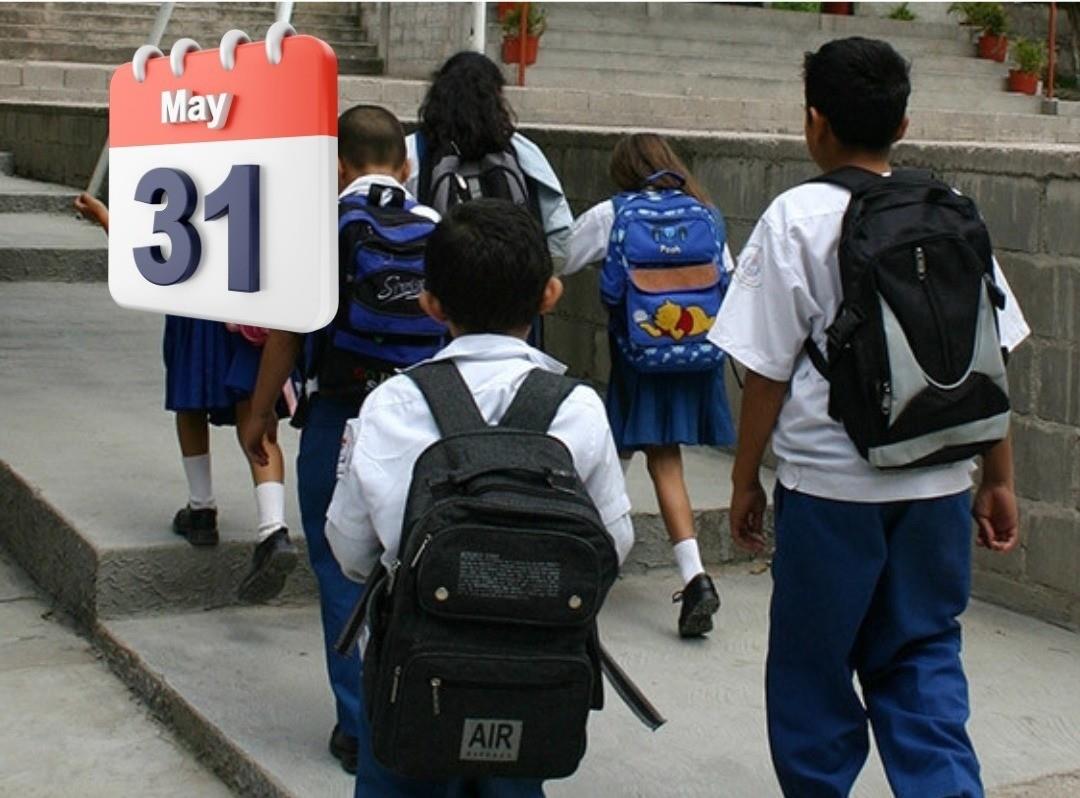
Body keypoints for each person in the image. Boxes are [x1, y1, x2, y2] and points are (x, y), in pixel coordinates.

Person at [709, 37, 1030, 797]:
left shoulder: (793, 219)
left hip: (831, 494)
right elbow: (992, 356)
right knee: (922, 660)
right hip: (940, 485)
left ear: (814, 122)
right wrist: (997, 478)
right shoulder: (950, 210)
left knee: (812, 674)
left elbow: (765, 376)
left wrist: (747, 479)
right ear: (904, 122)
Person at [325, 198, 635, 797]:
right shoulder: (577, 406)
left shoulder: (392, 404)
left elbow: (349, 547)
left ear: (430, 303)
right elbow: (611, 544)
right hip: (533, 672)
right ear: (550, 295)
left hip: (413, 673)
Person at [239, 105, 440, 776]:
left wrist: (259, 412)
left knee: (340, 568)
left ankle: (357, 725)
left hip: (341, 414)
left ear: (339, 167)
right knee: (417, 565)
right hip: (425, 417)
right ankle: (420, 708)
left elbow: (287, 333)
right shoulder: (439, 227)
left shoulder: (322, 226)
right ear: (405, 165)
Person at [73, 193, 296, 603]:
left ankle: (202, 509)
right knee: (257, 416)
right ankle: (272, 529)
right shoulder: (257, 174)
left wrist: (106, 217)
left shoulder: (184, 179)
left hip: (193, 304)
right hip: (249, 307)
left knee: (189, 403)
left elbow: (147, 252)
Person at [564, 133, 735, 638]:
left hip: (637, 357)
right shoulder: (707, 213)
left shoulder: (613, 213)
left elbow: (562, 257)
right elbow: (731, 277)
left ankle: (585, 572)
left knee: (611, 457)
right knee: (664, 461)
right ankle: (695, 576)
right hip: (695, 358)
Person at [405, 50, 573, 272]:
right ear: (497, 97)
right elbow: (560, 229)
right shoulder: (522, 151)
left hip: (438, 289)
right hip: (511, 286)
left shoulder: (411, 151)